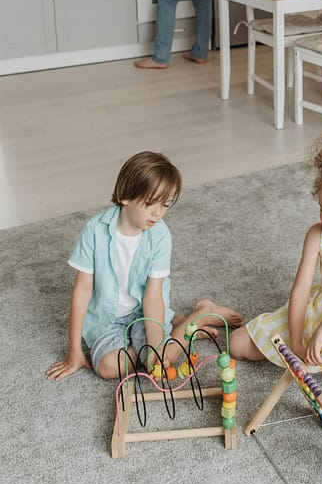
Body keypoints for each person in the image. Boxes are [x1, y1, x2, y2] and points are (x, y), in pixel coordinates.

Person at [179, 132, 322, 387]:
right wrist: (298, 339)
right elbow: (300, 291)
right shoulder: (317, 235)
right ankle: (209, 311)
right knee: (237, 345)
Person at [47, 152, 236, 381]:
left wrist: (155, 349)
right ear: (126, 197)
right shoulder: (94, 231)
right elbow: (82, 290)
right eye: (150, 204)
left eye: (165, 205)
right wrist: (74, 351)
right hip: (107, 319)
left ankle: (199, 316)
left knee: (162, 358)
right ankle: (181, 323)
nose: (158, 213)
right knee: (108, 368)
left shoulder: (160, 236)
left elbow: (152, 295)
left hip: (145, 312)